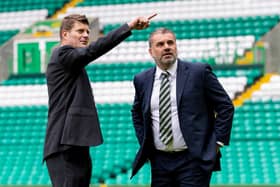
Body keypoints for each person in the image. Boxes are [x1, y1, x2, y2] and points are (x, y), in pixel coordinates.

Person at [43, 13, 155, 187]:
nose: (86, 35)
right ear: (65, 34)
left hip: (74, 142)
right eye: (80, 31)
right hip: (63, 144)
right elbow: (92, 51)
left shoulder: (71, 62)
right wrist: (128, 27)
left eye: (87, 31)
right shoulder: (62, 54)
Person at [131, 28, 234, 187]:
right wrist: (145, 143)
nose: (166, 47)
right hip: (160, 161)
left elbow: (225, 106)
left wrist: (217, 143)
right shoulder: (141, 79)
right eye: (160, 44)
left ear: (176, 46)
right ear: (151, 51)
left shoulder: (199, 72)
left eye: (170, 42)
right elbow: (137, 113)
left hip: (193, 159)